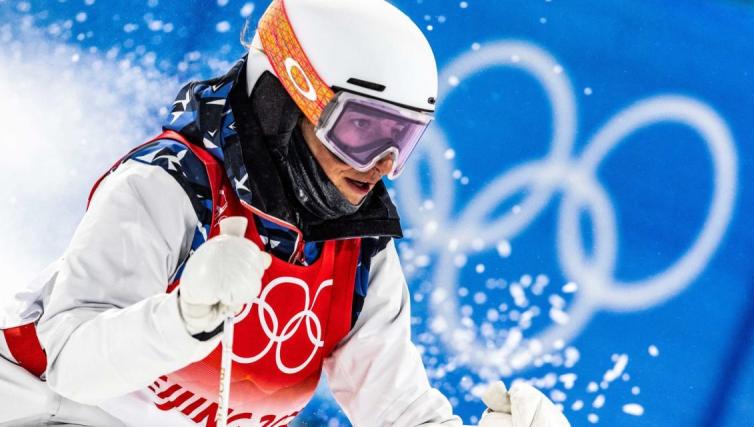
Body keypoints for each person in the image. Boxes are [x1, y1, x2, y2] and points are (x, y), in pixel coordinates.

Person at [0, 0, 570, 426]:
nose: (378, 164)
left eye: (401, 138)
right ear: (282, 100)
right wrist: (183, 319)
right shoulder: (167, 188)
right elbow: (69, 365)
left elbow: (396, 412)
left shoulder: (358, 248)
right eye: (360, 129)